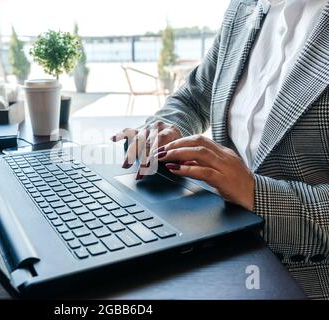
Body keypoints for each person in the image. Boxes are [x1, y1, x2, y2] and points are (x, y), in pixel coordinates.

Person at [112, 0, 329, 299]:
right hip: (219, 246)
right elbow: (195, 95)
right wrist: (166, 127)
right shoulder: (245, 8)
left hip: (307, 276)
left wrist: (255, 192)